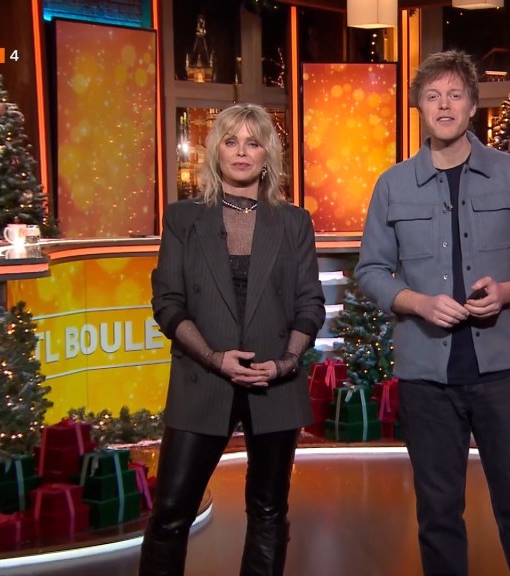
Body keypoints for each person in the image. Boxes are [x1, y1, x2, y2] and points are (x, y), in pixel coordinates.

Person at [355, 51, 510, 576]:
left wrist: (508, 290)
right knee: (438, 517)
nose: (444, 106)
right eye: (432, 96)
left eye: (455, 95)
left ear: (471, 105)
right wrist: (418, 302)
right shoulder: (392, 185)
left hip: (502, 375)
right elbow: (371, 270)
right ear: (420, 107)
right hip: (426, 381)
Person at [141, 104, 325, 576]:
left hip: (274, 383)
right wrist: (213, 357)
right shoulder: (183, 218)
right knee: (171, 513)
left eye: (253, 142)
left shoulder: (294, 222)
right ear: (215, 151)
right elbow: (169, 303)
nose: (241, 152)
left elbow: (310, 304)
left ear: (267, 156)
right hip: (202, 380)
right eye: (231, 141)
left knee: (269, 511)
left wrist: (285, 362)